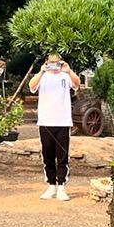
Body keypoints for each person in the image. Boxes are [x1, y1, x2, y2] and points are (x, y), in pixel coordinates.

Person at [29, 53, 80, 201]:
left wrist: (69, 70)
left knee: (62, 155)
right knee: (48, 155)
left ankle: (62, 186)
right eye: (51, 62)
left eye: (57, 62)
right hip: (45, 121)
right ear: (46, 62)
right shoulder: (43, 76)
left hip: (63, 121)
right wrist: (41, 71)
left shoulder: (65, 75)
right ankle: (51, 185)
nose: (54, 65)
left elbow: (76, 84)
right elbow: (31, 86)